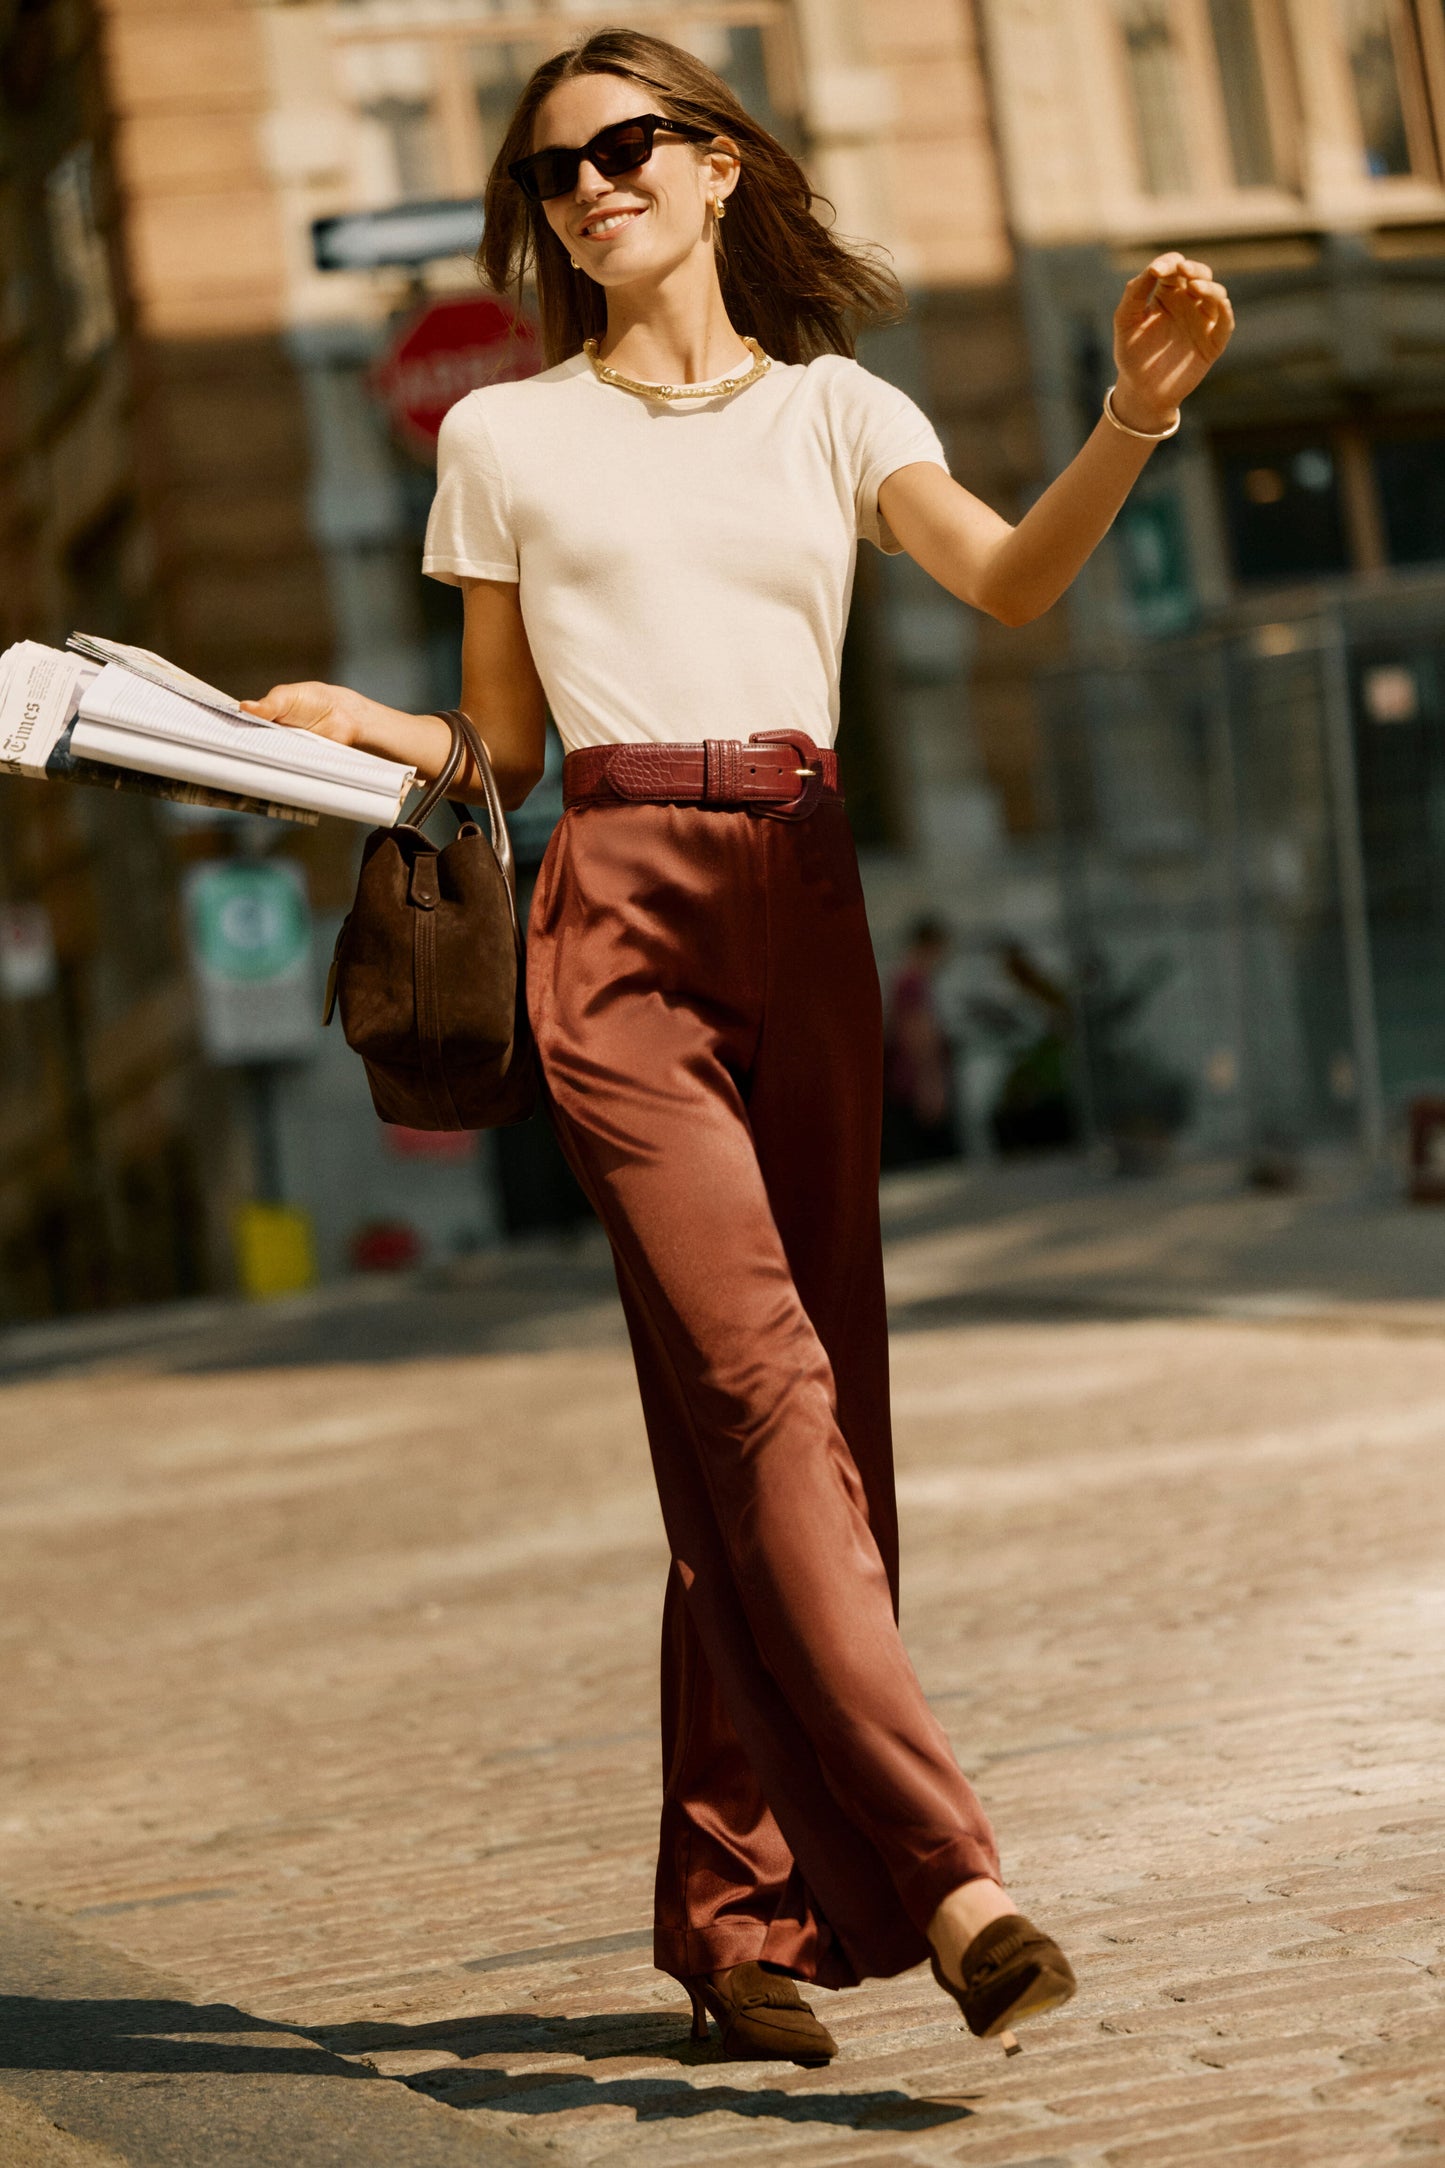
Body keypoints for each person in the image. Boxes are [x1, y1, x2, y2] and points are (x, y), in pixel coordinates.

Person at [242, 29, 1234, 2063]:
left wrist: (1125, 417)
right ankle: (948, 1879)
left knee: (793, 1414)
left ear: (711, 171)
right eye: (550, 176)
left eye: (621, 149)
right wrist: (370, 730)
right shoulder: (500, 441)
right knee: (761, 1384)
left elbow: (1010, 581)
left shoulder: (833, 409)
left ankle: (731, 1914)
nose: (586, 189)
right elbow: (500, 745)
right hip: (609, 914)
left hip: (804, 889)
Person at [882, 916, 961, 1169]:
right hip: (914, 1085)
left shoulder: (908, 979)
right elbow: (918, 1036)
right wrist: (930, 1084)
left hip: (909, 1084)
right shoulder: (912, 981)